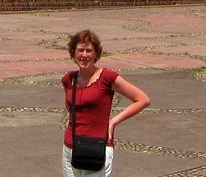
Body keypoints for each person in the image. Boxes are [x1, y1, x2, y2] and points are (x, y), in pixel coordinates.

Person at [61, 29, 149, 177]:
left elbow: (142, 99)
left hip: (98, 146)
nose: (84, 55)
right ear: (73, 53)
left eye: (89, 51)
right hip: (71, 146)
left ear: (96, 54)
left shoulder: (107, 77)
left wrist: (113, 122)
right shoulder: (68, 79)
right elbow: (70, 107)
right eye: (80, 50)